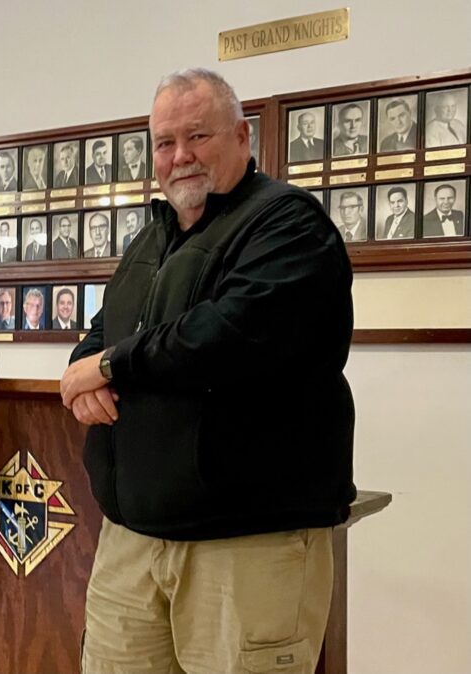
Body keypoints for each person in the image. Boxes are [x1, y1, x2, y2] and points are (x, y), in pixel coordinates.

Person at [59, 69, 355, 674]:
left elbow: (224, 337)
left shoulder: (288, 225)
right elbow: (104, 330)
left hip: (245, 547)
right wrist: (83, 370)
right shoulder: (153, 237)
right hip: (132, 540)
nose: (179, 156)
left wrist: (110, 365)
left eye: (198, 136)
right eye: (164, 142)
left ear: (243, 137)